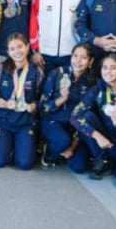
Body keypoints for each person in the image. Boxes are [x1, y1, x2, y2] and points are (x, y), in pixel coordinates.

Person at [71, 54, 116, 182]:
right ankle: (102, 158)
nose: (108, 72)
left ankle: (111, 161)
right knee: (87, 116)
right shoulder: (96, 90)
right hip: (103, 139)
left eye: (113, 68)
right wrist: (97, 136)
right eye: (105, 68)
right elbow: (75, 116)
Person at [0, 33, 44, 170]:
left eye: (20, 47)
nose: (17, 51)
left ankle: (18, 145)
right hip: (2, 120)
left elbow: (44, 99)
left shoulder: (36, 72)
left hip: (25, 122)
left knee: (25, 164)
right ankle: (8, 145)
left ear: (27, 47)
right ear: (8, 52)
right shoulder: (0, 69)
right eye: (12, 49)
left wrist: (34, 105)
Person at [39, 43, 95, 172]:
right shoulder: (56, 74)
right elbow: (43, 108)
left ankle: (63, 148)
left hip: (75, 127)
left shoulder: (91, 82)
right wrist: (60, 100)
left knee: (79, 167)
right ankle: (51, 152)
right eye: (75, 56)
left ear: (91, 61)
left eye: (83, 57)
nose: (78, 61)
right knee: (62, 141)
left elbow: (87, 116)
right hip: (52, 121)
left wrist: (73, 147)